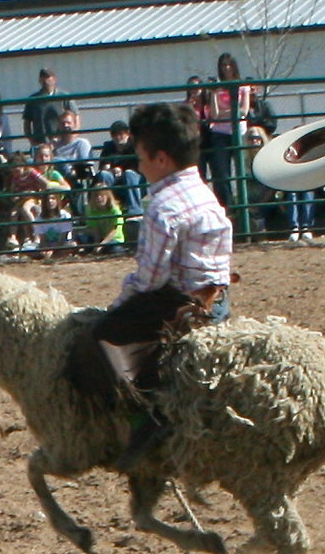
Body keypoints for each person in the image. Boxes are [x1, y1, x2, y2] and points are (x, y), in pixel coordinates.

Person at [90, 102, 233, 469]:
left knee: (101, 338)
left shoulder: (162, 207)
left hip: (178, 305)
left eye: (140, 157)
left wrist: (118, 306)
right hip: (217, 301)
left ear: (161, 159)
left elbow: (150, 280)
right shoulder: (205, 192)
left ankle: (146, 421)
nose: (137, 165)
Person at [206, 52, 251, 207]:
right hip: (220, 133)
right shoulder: (217, 88)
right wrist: (231, 110)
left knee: (242, 171)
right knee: (221, 173)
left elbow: (244, 110)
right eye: (223, 66)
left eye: (229, 65)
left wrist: (226, 113)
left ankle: (245, 206)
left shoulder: (242, 86)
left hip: (239, 131)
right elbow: (214, 114)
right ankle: (228, 206)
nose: (226, 68)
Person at [97, 119, 146, 218]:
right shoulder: (108, 147)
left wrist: (122, 171)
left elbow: (141, 166)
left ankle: (135, 211)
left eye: (121, 134)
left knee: (129, 173)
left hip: (135, 180)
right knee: (104, 175)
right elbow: (103, 167)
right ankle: (107, 210)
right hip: (115, 180)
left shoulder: (135, 145)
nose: (118, 137)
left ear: (128, 133)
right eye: (114, 135)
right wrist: (111, 170)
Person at [22, 68, 78, 147]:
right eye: (43, 77)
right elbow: (26, 124)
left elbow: (76, 118)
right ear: (39, 80)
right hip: (40, 145)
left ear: (54, 79)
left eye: (48, 77)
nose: (45, 80)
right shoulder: (33, 100)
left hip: (62, 143)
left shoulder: (64, 97)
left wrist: (71, 139)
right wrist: (32, 142)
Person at [75, 183, 125, 254]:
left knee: (115, 249)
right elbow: (95, 230)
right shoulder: (92, 211)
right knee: (81, 237)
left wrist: (101, 244)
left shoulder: (115, 210)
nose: (99, 198)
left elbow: (114, 231)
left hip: (113, 239)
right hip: (101, 238)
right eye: (96, 196)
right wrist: (97, 244)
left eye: (102, 195)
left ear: (108, 196)